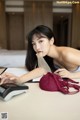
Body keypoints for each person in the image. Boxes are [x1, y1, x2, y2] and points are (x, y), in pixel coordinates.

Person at [0, 25, 80, 85]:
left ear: (51, 40)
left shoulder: (67, 54)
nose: (37, 47)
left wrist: (71, 75)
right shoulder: (47, 55)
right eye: (34, 44)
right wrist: (18, 80)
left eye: (41, 41)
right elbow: (42, 70)